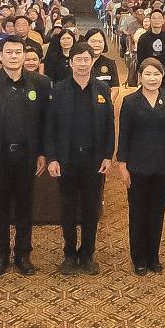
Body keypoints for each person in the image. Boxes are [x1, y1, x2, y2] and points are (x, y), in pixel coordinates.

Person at [0, 38, 50, 275]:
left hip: (28, 156)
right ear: (0, 56)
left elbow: (45, 122)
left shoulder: (39, 83)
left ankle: (23, 254)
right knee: (0, 207)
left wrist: (43, 152)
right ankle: (1, 254)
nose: (14, 56)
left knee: (26, 206)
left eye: (18, 52)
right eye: (9, 52)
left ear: (25, 55)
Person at [45, 42, 115, 275]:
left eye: (87, 59)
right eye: (79, 59)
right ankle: (69, 253)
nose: (83, 64)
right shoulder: (59, 90)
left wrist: (107, 155)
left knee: (90, 209)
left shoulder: (102, 90)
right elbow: (50, 127)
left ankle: (87, 254)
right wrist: (52, 158)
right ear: (71, 62)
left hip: (94, 160)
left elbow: (109, 126)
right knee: (67, 209)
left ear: (93, 61)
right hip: (67, 159)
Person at [116, 58, 165, 274]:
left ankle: (153, 256)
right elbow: (124, 135)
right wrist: (122, 165)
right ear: (140, 77)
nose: (152, 79)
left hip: (162, 165)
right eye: (148, 74)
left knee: (157, 213)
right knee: (138, 213)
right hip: (137, 166)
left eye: (156, 74)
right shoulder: (130, 101)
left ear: (163, 76)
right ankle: (139, 258)